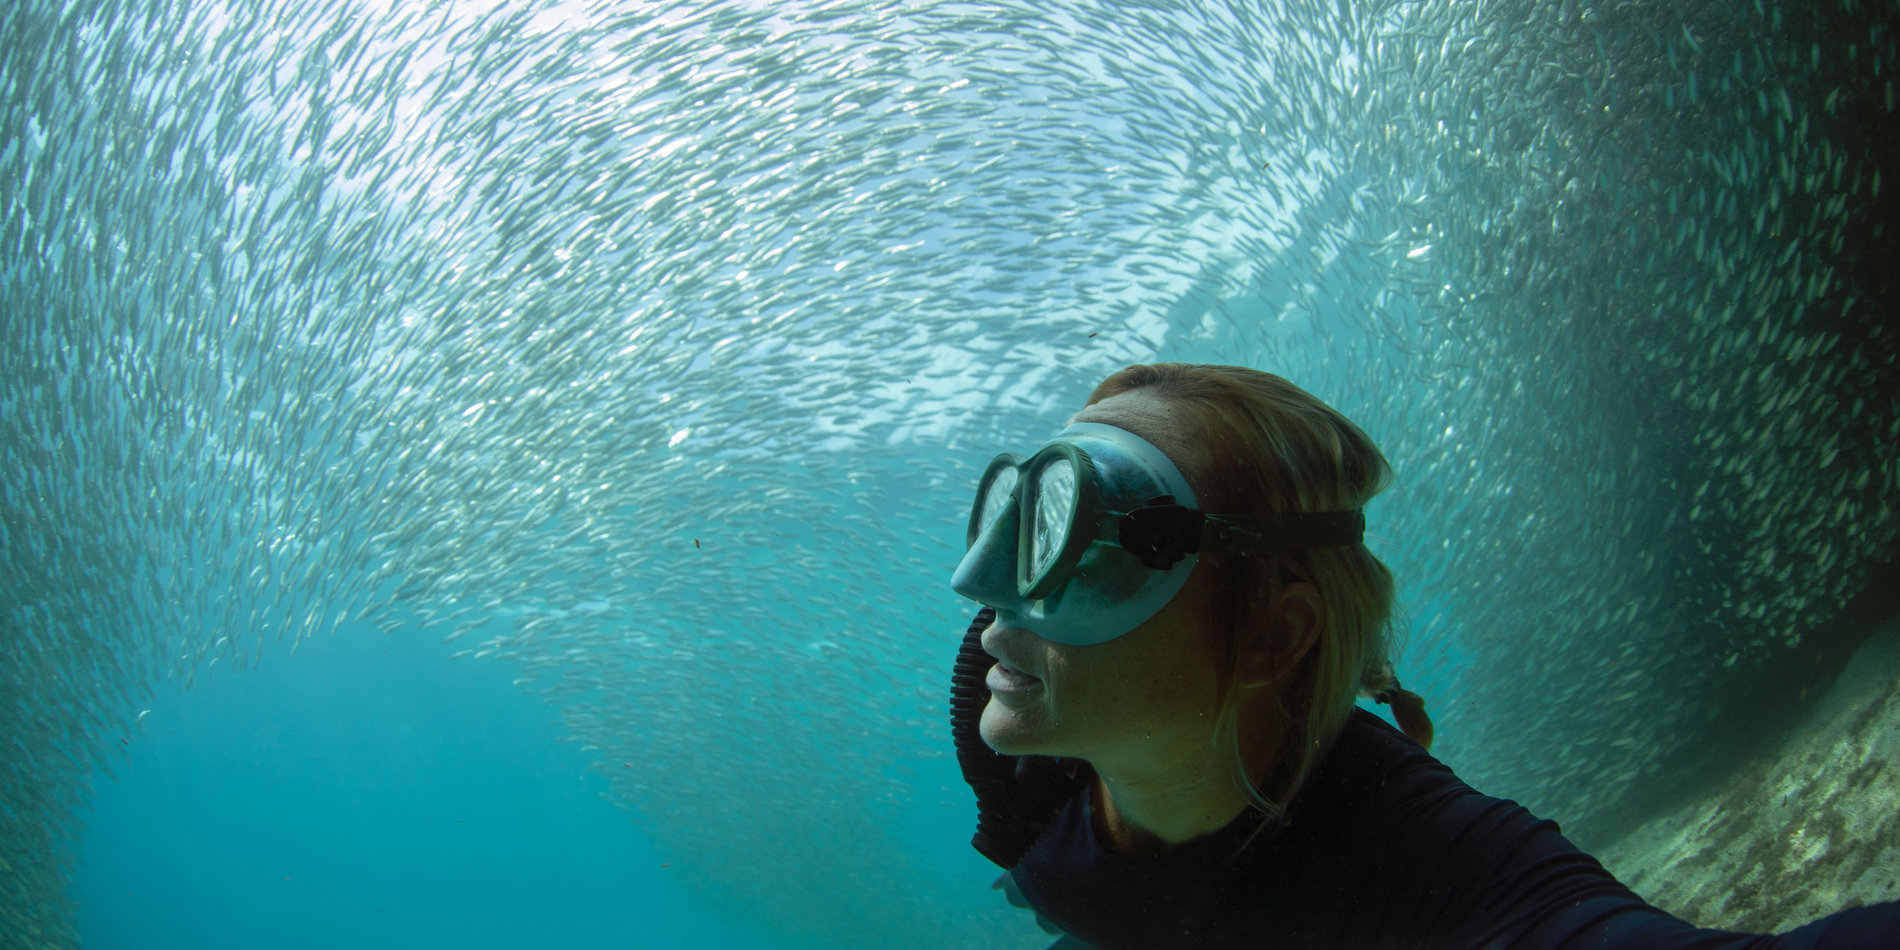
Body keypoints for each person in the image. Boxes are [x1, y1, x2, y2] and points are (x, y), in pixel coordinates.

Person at [946, 363, 1900, 949]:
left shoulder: (1421, 858)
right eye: (1027, 521)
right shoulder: (1013, 719)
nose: (985, 592)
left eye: (1093, 539)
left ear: (1276, 635)